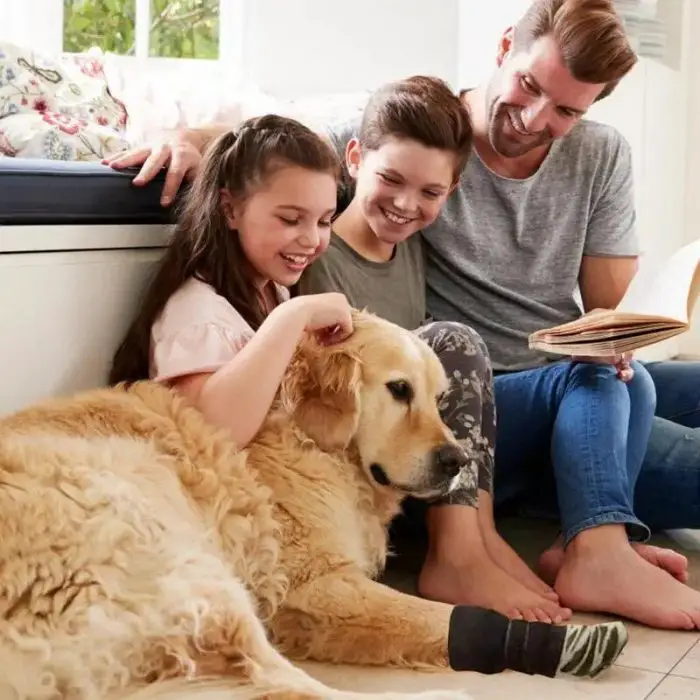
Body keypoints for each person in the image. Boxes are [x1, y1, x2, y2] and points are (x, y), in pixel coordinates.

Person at [102, 0, 700, 631]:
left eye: (566, 111)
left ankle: (590, 527)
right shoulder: (392, 143)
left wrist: (619, 331)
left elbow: (607, 300)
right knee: (598, 383)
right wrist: (186, 138)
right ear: (505, 48)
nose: (533, 118)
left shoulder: (592, 158)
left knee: (639, 382)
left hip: (554, 376)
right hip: (486, 392)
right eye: (529, 86)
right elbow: (269, 145)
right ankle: (596, 546)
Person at [296, 75, 570, 623]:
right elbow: (268, 139)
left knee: (474, 360)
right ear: (353, 158)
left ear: (452, 189)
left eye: (430, 193)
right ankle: (458, 554)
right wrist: (192, 137)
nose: (404, 205)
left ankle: (481, 535)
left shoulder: (412, 245)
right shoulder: (316, 258)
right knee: (453, 341)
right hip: (360, 462)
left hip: (422, 462)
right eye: (390, 180)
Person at [109, 114, 356, 456]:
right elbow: (215, 432)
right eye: (290, 219)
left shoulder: (271, 289)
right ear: (230, 209)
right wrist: (293, 315)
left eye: (325, 220)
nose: (313, 239)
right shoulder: (199, 314)